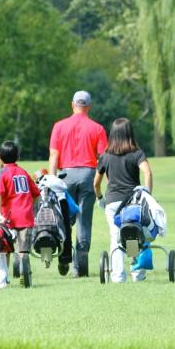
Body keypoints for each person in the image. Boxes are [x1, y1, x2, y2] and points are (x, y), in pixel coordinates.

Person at [48, 90, 108, 277]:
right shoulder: (97, 128)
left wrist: (52, 180)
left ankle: (64, 255)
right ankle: (80, 265)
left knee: (64, 218)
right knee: (84, 219)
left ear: (72, 104)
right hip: (88, 175)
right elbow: (104, 158)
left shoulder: (59, 126)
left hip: (65, 176)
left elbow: (54, 156)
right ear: (89, 106)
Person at [93, 118, 153, 283]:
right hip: (133, 203)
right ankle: (138, 273)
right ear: (130, 133)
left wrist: (100, 198)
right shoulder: (137, 154)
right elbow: (147, 173)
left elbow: (96, 183)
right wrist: (147, 194)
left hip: (112, 203)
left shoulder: (105, 156)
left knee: (116, 236)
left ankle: (118, 276)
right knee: (134, 233)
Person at [0, 141, 40, 289]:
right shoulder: (23, 172)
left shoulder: (2, 173)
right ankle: (25, 271)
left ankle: (2, 279)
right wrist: (29, 205)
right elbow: (36, 193)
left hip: (8, 219)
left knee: (4, 249)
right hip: (25, 217)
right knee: (23, 249)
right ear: (17, 156)